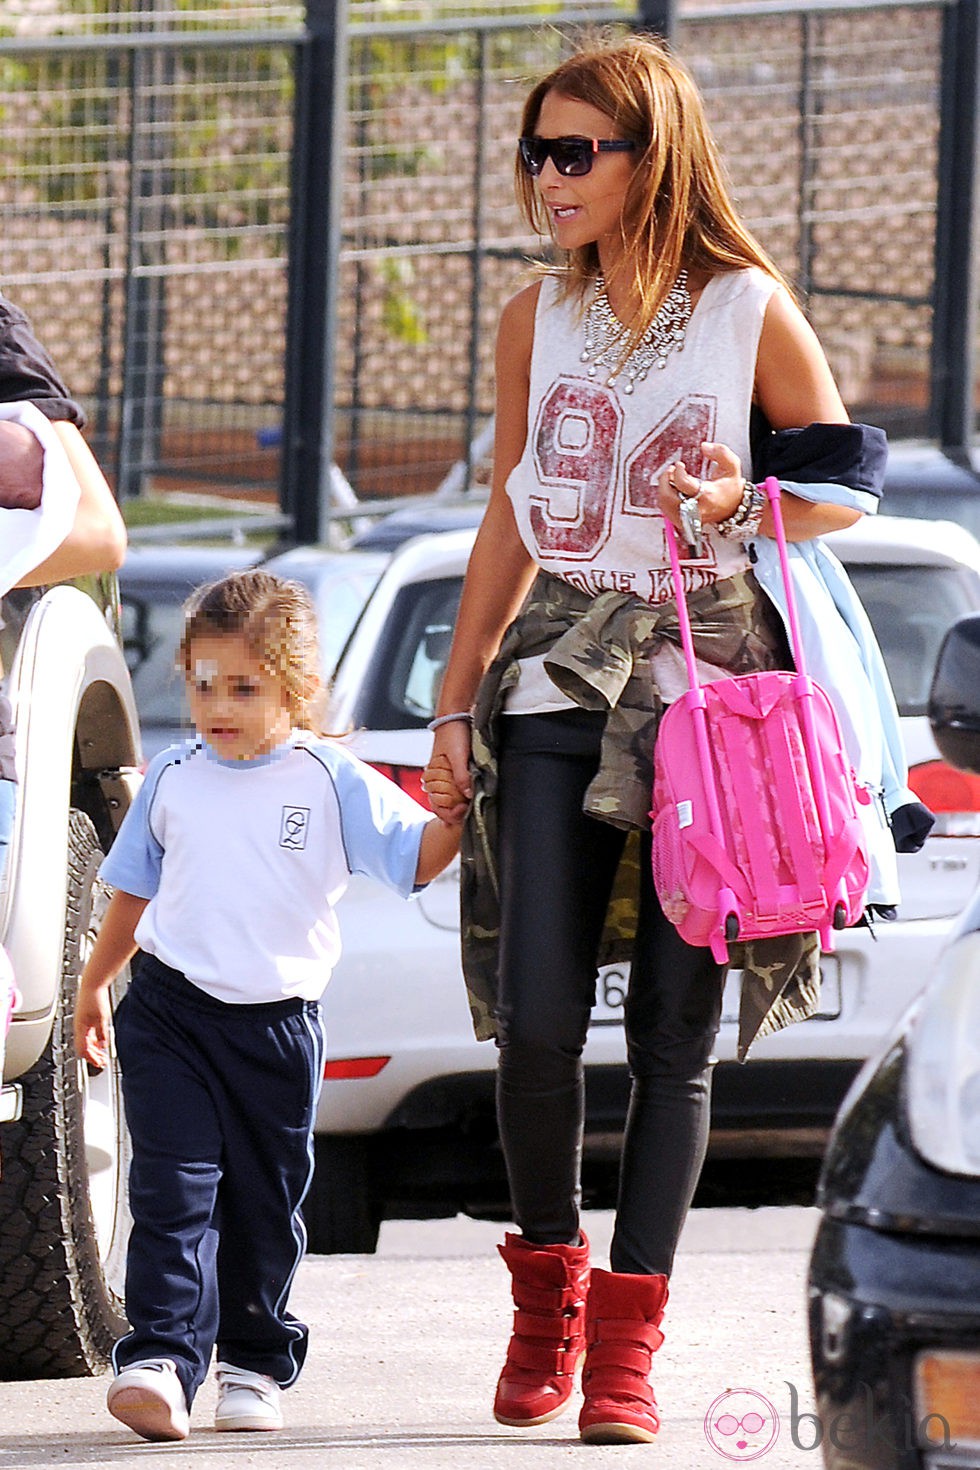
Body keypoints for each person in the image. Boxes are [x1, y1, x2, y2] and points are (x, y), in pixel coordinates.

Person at [423, 32, 895, 1447]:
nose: (548, 179)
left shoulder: (746, 307)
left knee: (677, 1043)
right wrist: (456, 695)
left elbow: (843, 486)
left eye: (577, 153)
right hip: (560, 669)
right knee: (540, 1020)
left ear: (652, 157)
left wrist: (740, 499)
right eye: (537, 153)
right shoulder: (534, 316)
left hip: (710, 687)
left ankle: (628, 1342)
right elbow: (510, 507)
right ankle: (545, 1293)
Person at [74, 568, 462, 1443]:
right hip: (169, 1012)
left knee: (262, 1202)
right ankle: (159, 1361)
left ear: (294, 686)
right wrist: (96, 983)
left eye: (244, 687)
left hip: (276, 1030)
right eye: (204, 681)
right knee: (172, 1190)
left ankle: (252, 1363)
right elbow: (133, 892)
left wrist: (460, 814)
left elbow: (416, 860)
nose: (218, 704)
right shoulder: (173, 775)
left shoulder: (331, 778)